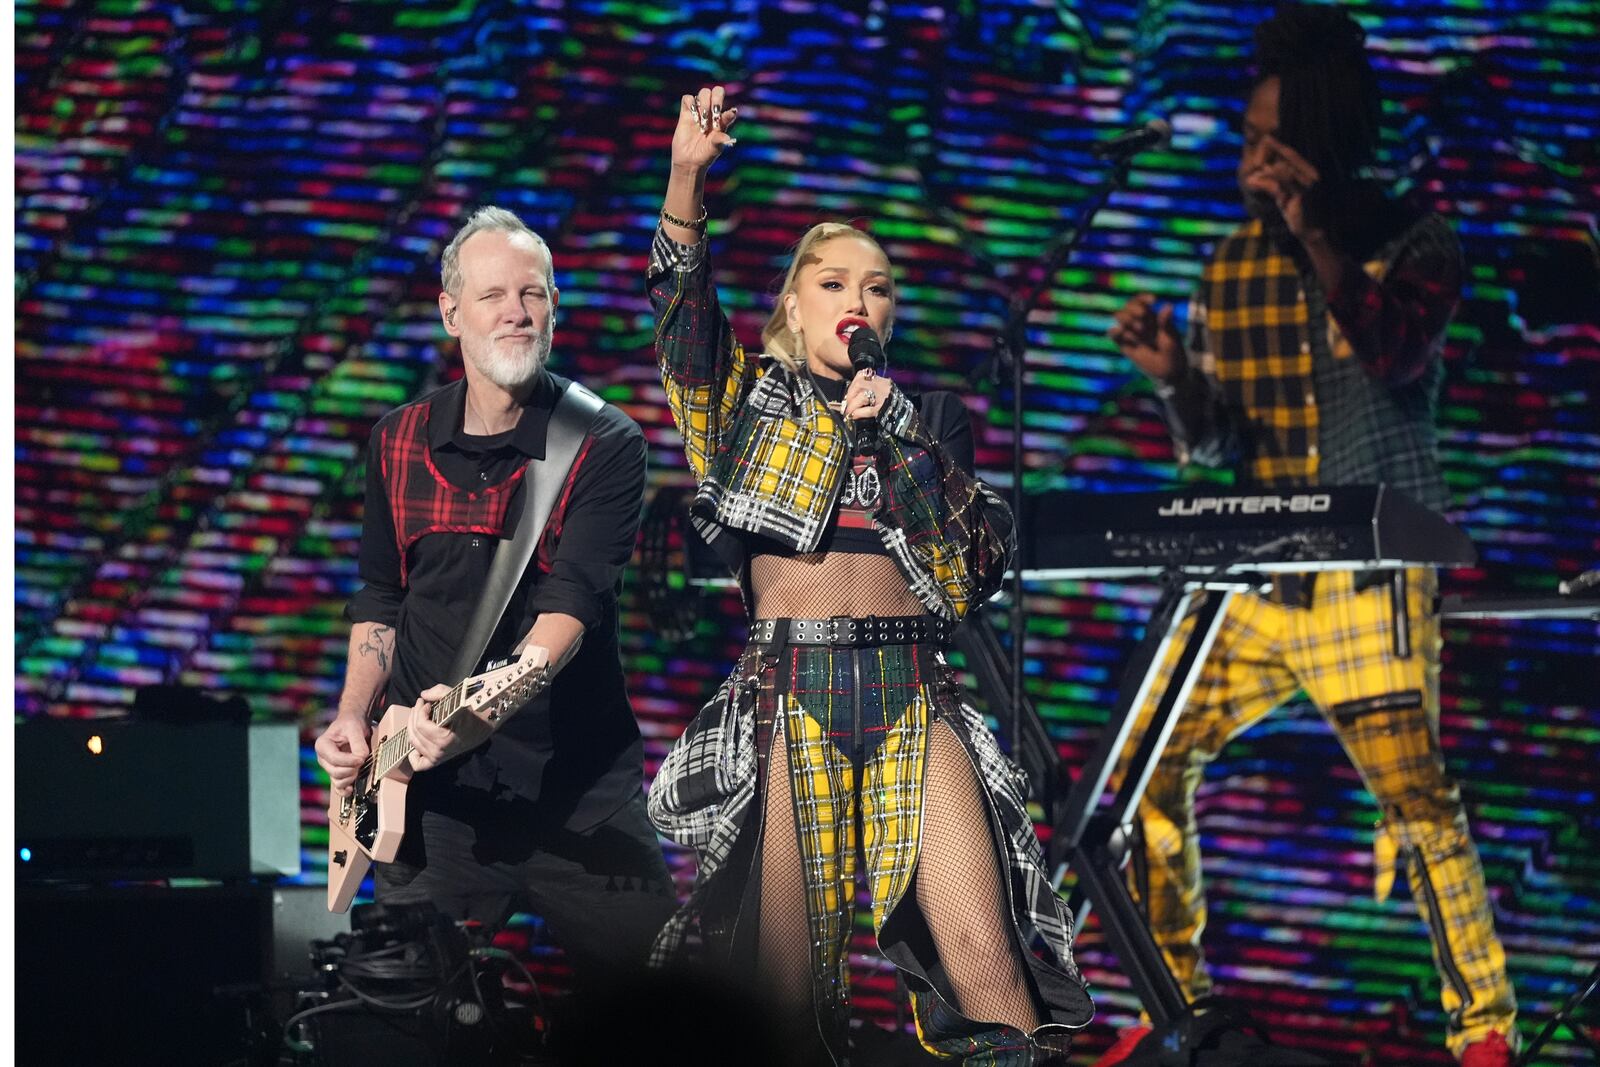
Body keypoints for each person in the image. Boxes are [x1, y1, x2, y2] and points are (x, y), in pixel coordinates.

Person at [643, 86, 1095, 1066]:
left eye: (879, 285)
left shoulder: (927, 417)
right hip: (788, 691)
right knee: (791, 986)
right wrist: (686, 177)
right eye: (834, 281)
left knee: (984, 955)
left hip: (914, 694)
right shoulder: (741, 410)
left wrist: (896, 440)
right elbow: (681, 323)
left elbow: (969, 578)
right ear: (792, 303)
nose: (858, 299)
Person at [1099, 5, 1517, 1065]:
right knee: (1144, 765)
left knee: (1415, 800)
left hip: (1362, 577)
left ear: (1321, 142)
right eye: (1245, 140)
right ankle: (1172, 1010)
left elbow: (1392, 352)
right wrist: (1174, 379)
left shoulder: (1407, 240)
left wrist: (1315, 230)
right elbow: (1213, 447)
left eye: (1269, 141)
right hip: (1255, 577)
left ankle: (1484, 1034)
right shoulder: (1228, 266)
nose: (1250, 159)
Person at [314, 206, 675, 995]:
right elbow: (380, 598)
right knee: (408, 1021)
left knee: (671, 1019)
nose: (516, 311)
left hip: (580, 797)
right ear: (451, 313)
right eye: (493, 295)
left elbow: (570, 606)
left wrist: (480, 708)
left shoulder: (603, 442)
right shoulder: (397, 439)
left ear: (554, 309)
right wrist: (351, 715)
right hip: (430, 801)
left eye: (534, 294)